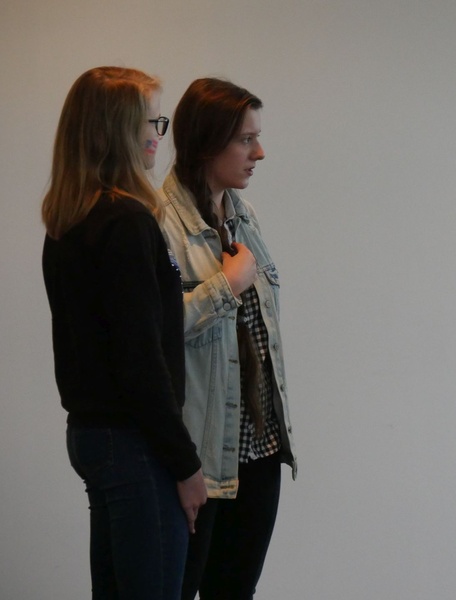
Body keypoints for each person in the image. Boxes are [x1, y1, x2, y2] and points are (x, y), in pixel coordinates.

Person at [41, 66, 207, 600]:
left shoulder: (69, 221)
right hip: (134, 442)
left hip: (94, 435)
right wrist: (185, 464)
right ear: (114, 130)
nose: (157, 135)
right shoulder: (127, 221)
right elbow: (140, 361)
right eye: (148, 121)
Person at [158, 78, 297, 600]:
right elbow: (152, 333)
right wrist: (225, 287)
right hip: (200, 457)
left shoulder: (244, 217)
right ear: (205, 142)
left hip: (259, 449)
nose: (259, 153)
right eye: (246, 140)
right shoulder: (159, 224)